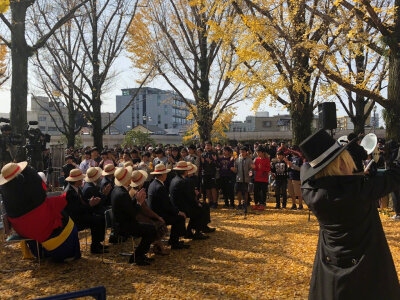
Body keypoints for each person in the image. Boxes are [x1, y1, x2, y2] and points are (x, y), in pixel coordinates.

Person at [300, 129, 400, 300]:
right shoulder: (360, 190)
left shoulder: (311, 193)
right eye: (346, 157)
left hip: (331, 268)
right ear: (340, 163)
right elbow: (396, 175)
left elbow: (306, 170)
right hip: (367, 270)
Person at [111, 167, 157, 265]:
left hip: (122, 222)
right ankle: (137, 256)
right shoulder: (122, 194)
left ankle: (139, 255)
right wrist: (139, 202)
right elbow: (132, 213)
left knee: (150, 228)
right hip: (125, 225)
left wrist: (136, 199)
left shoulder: (117, 190)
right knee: (151, 230)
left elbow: (127, 207)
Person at [64, 169, 106, 254]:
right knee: (96, 220)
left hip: (81, 214)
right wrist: (90, 204)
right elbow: (76, 209)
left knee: (100, 218)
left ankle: (97, 243)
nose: (82, 180)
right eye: (80, 179)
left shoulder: (77, 188)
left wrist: (91, 201)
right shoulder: (70, 192)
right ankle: (94, 247)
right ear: (76, 181)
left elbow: (82, 201)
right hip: (75, 219)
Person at [147, 163, 189, 249]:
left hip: (155, 212)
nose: (166, 175)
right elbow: (166, 206)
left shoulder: (153, 183)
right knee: (179, 218)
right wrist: (178, 212)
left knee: (178, 215)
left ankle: (174, 240)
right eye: (165, 173)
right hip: (159, 215)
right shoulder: (159, 187)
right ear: (162, 175)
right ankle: (174, 242)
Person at [129, 170, 169, 256]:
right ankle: (158, 247)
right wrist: (157, 216)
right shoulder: (138, 193)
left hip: (138, 216)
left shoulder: (131, 190)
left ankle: (157, 246)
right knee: (157, 224)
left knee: (156, 223)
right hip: (139, 218)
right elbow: (145, 209)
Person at [169, 161, 208, 240]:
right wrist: (197, 202)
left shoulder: (175, 179)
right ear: (184, 171)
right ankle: (196, 232)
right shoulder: (182, 182)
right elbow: (189, 197)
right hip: (181, 207)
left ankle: (190, 231)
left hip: (177, 205)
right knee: (200, 210)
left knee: (198, 208)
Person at [200, 141, 218, 208]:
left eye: (209, 145)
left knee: (213, 188)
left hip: (212, 173)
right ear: (205, 146)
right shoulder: (203, 154)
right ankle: (210, 201)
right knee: (207, 188)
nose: (208, 146)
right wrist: (203, 162)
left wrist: (212, 161)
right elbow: (201, 165)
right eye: (206, 145)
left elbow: (218, 165)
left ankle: (215, 202)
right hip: (205, 173)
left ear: (211, 146)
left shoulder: (214, 154)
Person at [253, 145, 270, 210]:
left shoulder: (267, 160)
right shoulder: (256, 160)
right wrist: (254, 167)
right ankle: (256, 203)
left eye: (259, 152)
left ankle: (262, 203)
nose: (257, 154)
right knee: (256, 191)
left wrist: (262, 168)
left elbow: (268, 169)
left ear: (262, 152)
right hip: (257, 178)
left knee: (263, 192)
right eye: (257, 152)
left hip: (264, 179)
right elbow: (256, 169)